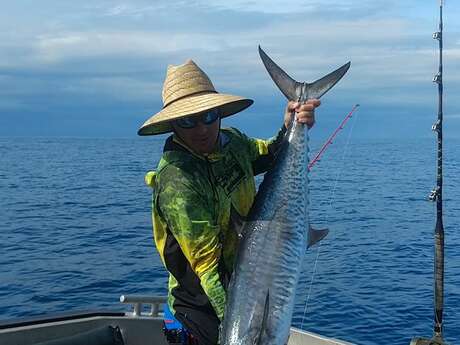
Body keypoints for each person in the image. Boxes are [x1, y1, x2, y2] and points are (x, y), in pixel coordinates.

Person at [138, 59, 320, 345]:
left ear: (220, 113)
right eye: (188, 121)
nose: (201, 129)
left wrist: (291, 124)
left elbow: (269, 154)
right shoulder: (177, 181)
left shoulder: (232, 142)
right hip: (201, 306)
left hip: (251, 279)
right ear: (173, 124)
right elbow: (207, 270)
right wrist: (240, 325)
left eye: (208, 116)